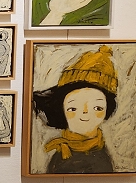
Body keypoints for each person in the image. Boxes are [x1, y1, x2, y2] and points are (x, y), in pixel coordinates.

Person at [31, 46, 119, 174]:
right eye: (73, 108)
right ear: (62, 110)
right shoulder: (61, 152)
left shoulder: (100, 159)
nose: (85, 113)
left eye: (97, 108)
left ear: (107, 111)